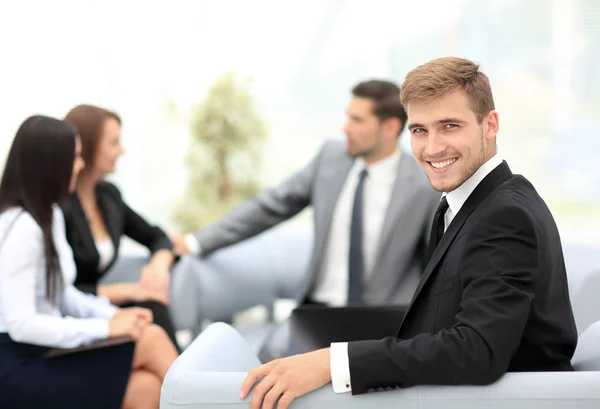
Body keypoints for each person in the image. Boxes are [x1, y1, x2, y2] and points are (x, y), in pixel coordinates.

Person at [238, 57, 578, 409]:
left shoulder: (504, 215)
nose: (432, 148)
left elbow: (478, 350)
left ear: (489, 125)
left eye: (449, 126)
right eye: (419, 130)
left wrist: (333, 363)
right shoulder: (461, 205)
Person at [173, 79, 439, 302]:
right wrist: (195, 242)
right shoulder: (330, 159)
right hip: (318, 309)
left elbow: (437, 262)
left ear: (391, 127)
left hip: (385, 320)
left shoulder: (423, 183)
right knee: (271, 355)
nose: (345, 127)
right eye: (348, 117)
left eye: (357, 120)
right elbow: (270, 206)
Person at [0, 115, 179, 409]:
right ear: (49, 165)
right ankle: (210, 399)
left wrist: (113, 315)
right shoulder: (20, 228)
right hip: (16, 364)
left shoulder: (50, 215)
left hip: (43, 349)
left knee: (147, 389)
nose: (80, 166)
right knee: (152, 339)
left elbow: (64, 295)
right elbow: (22, 325)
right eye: (75, 157)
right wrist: (106, 328)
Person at [59, 104, 180, 350]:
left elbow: (157, 236)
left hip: (96, 306)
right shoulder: (58, 207)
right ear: (89, 146)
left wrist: (159, 264)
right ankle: (182, 383)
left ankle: (182, 381)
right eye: (114, 143)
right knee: (147, 310)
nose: (122, 151)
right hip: (68, 316)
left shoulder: (108, 197)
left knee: (152, 308)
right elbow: (59, 290)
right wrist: (129, 291)